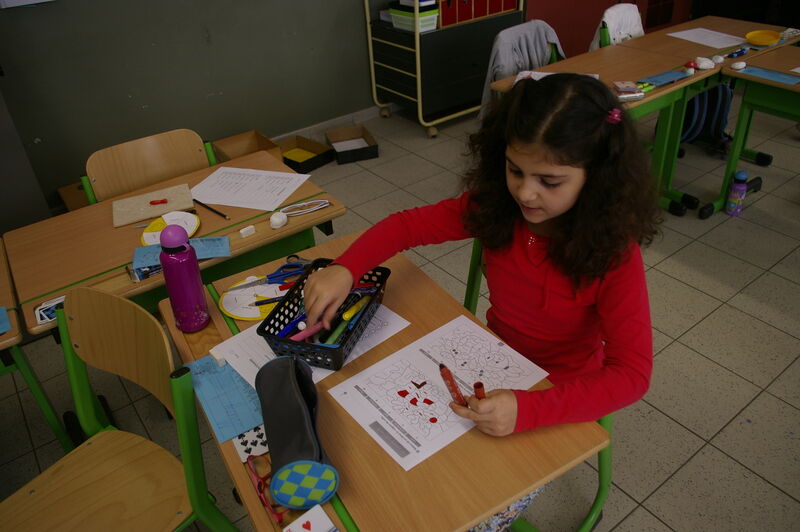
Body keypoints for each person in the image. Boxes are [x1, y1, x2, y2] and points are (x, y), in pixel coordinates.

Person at [304, 73, 660, 528]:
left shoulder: (614, 255)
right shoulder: (498, 208)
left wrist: (528, 410)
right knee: (389, 468)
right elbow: (407, 226)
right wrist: (345, 267)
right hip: (490, 358)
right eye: (515, 170)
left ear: (597, 179)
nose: (526, 193)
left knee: (470, 511)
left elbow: (632, 374)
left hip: (557, 390)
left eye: (550, 181)